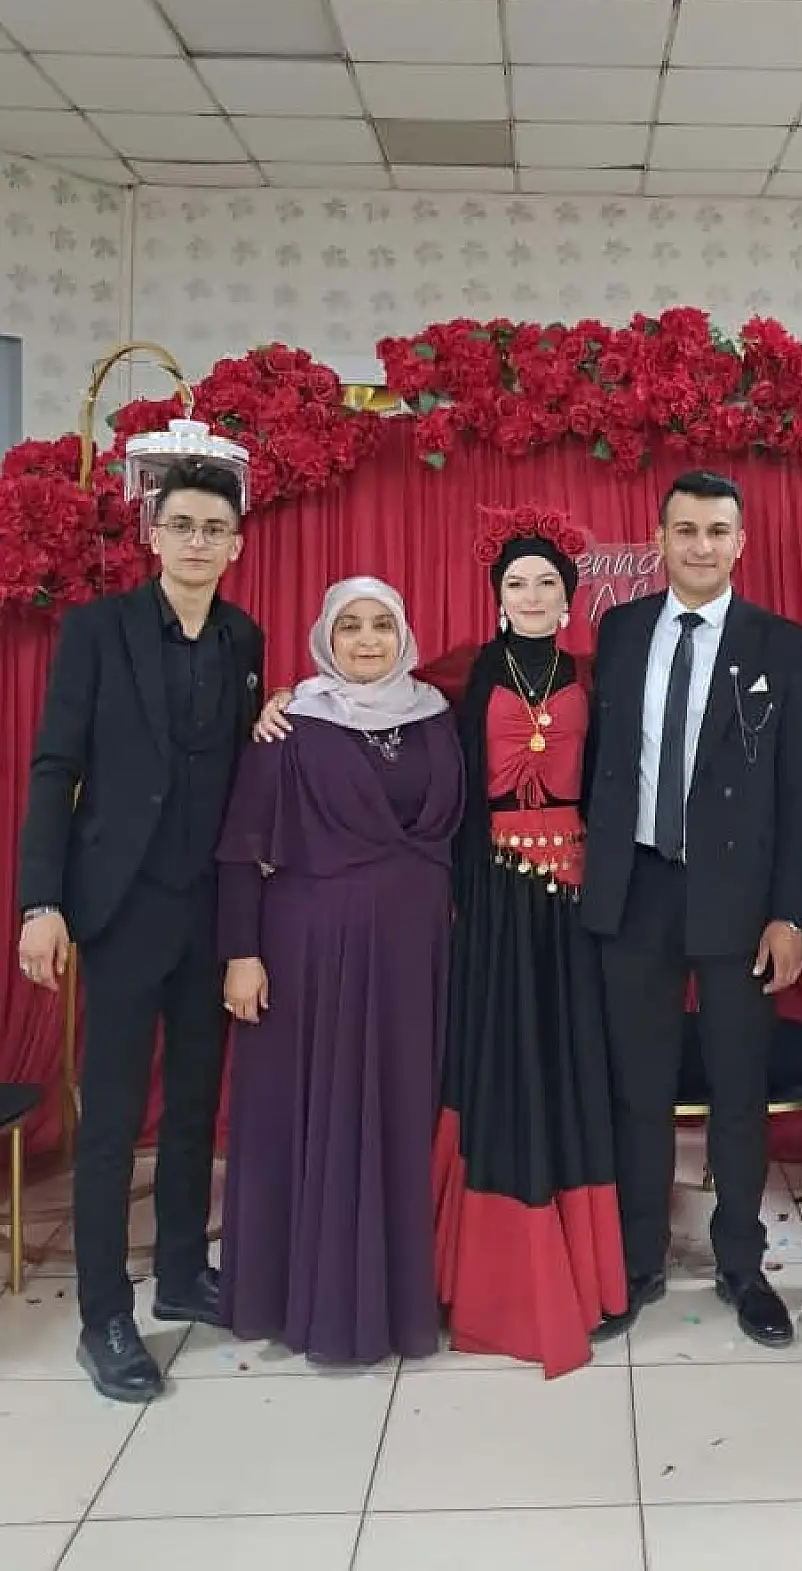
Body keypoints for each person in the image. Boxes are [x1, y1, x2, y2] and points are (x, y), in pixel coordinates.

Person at [17, 460, 263, 1404]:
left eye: (215, 528)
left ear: (235, 545)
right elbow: (54, 767)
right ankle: (103, 1315)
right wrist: (41, 903)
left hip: (208, 911)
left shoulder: (244, 637)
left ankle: (182, 1272)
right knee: (114, 1120)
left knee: (196, 1105)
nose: (199, 541)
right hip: (118, 908)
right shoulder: (97, 630)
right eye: (183, 525)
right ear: (154, 536)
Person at [582, 471, 802, 1350]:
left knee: (737, 1088)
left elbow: (801, 791)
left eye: (718, 531)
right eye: (685, 530)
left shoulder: (780, 643)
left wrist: (790, 913)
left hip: (739, 900)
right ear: (660, 538)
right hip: (636, 888)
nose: (701, 546)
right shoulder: (620, 629)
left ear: (740, 542)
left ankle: (742, 1265)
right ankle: (636, 1259)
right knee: (636, 1088)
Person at [216, 578, 463, 1365]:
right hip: (312, 956)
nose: (365, 640)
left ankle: (397, 1294)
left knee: (401, 1113)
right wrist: (241, 954)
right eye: (349, 625)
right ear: (325, 635)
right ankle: (313, 1301)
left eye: (381, 624)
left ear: (404, 635)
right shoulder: (290, 724)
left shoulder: (437, 715)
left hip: (415, 954)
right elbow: (240, 848)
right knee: (320, 1110)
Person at [432, 506, 628, 1378]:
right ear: (498, 594)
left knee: (567, 1055)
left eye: (548, 581)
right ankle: (489, 1266)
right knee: (501, 1055)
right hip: (493, 896)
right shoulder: (458, 674)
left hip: (574, 902)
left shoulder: (595, 673)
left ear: (570, 594)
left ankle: (583, 1258)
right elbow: (366, 685)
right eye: (518, 582)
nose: (534, 594)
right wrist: (287, 700)